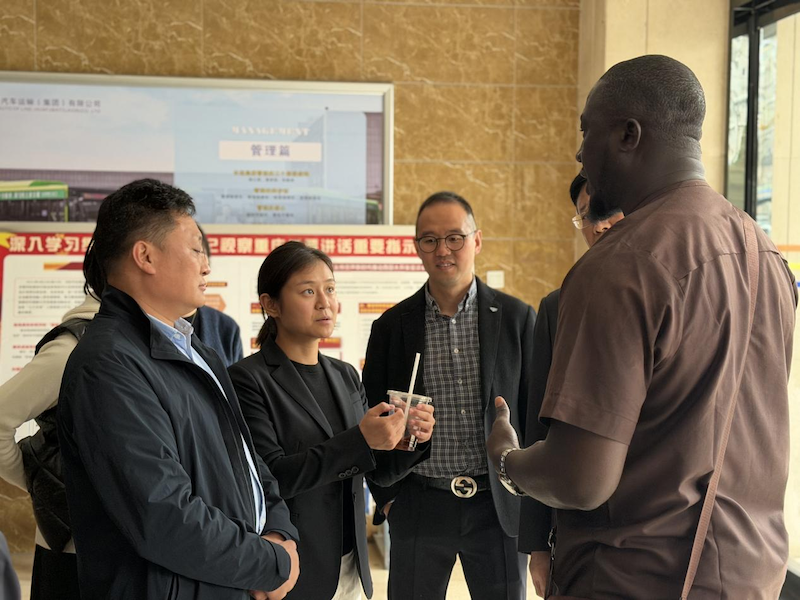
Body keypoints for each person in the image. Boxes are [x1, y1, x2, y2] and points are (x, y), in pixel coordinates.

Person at [488, 55, 797, 598]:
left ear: (628, 135)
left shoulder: (619, 265)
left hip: (634, 579)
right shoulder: (764, 255)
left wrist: (506, 461)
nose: (579, 154)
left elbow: (580, 479)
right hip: (749, 577)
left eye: (586, 131)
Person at [57, 178, 300, 600]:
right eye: (195, 249)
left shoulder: (198, 351)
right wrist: (269, 565)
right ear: (146, 256)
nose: (206, 266)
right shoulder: (108, 364)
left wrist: (279, 532)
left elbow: (248, 461)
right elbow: (162, 513)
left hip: (225, 582)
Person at [229, 241, 435, 600]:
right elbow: (270, 478)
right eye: (308, 291)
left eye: (330, 289)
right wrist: (360, 440)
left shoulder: (345, 375)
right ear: (271, 305)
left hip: (351, 566)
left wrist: (411, 439)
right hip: (295, 568)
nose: (325, 302)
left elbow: (375, 470)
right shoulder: (247, 379)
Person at [362, 191, 535, 599]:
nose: (443, 250)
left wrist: (535, 503)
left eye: (455, 238)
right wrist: (388, 498)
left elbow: (534, 412)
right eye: (430, 240)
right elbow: (368, 414)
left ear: (477, 240)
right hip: (420, 502)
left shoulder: (517, 318)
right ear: (417, 247)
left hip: (498, 504)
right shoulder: (391, 327)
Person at [517, 172, 624, 597]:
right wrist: (536, 546)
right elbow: (538, 428)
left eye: (607, 211)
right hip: (578, 523)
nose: (598, 225)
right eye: (586, 216)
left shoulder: (674, 290)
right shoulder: (558, 306)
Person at [0, 294, 99, 599]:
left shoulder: (159, 341)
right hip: (72, 549)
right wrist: (40, 481)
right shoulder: (72, 348)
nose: (205, 271)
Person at [186, 227, 244, 367]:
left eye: (204, 255)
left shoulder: (226, 327)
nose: (206, 269)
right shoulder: (142, 326)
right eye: (195, 253)